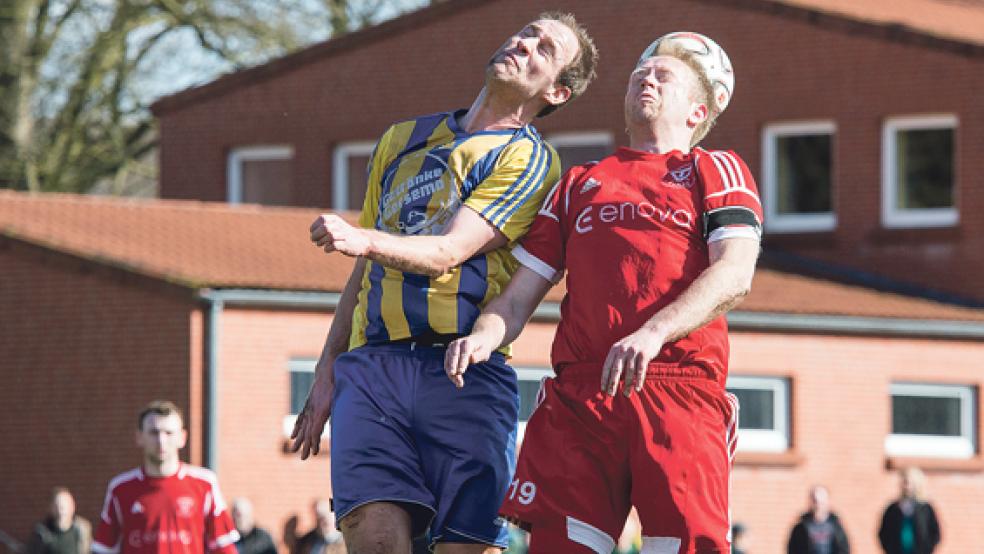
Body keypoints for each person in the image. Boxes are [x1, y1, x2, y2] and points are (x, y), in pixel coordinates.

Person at [290, 12, 598, 554]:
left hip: (463, 374)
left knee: (467, 548)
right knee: (373, 535)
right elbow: (364, 270)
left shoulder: (528, 159)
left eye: (544, 49)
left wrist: (366, 239)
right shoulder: (400, 139)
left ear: (558, 91)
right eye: (525, 31)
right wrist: (326, 368)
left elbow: (447, 251)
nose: (524, 43)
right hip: (373, 367)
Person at [444, 31, 761, 553]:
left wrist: (653, 333)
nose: (647, 77)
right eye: (642, 71)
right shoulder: (578, 182)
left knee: (684, 544)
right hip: (582, 398)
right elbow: (520, 296)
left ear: (698, 110)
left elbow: (735, 274)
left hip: (677, 388)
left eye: (665, 75)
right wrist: (483, 336)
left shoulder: (714, 168)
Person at [91, 401, 240, 554]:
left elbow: (223, 548)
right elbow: (104, 550)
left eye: (168, 433)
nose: (161, 441)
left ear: (182, 438)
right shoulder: (120, 488)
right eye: (154, 433)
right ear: (139, 437)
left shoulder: (204, 483)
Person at [878, 467, 941, 554]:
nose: (906, 487)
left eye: (909, 483)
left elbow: (935, 533)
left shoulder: (925, 508)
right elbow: (883, 533)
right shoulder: (893, 508)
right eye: (904, 483)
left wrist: (926, 549)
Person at [26, 487, 91, 554]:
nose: (61, 510)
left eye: (65, 505)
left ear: (72, 506)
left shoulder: (81, 530)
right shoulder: (42, 531)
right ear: (51, 508)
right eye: (57, 505)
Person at [787, 486, 850, 554]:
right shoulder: (800, 528)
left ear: (827, 502)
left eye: (822, 502)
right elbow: (792, 549)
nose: (818, 505)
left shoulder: (836, 526)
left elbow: (844, 548)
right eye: (815, 501)